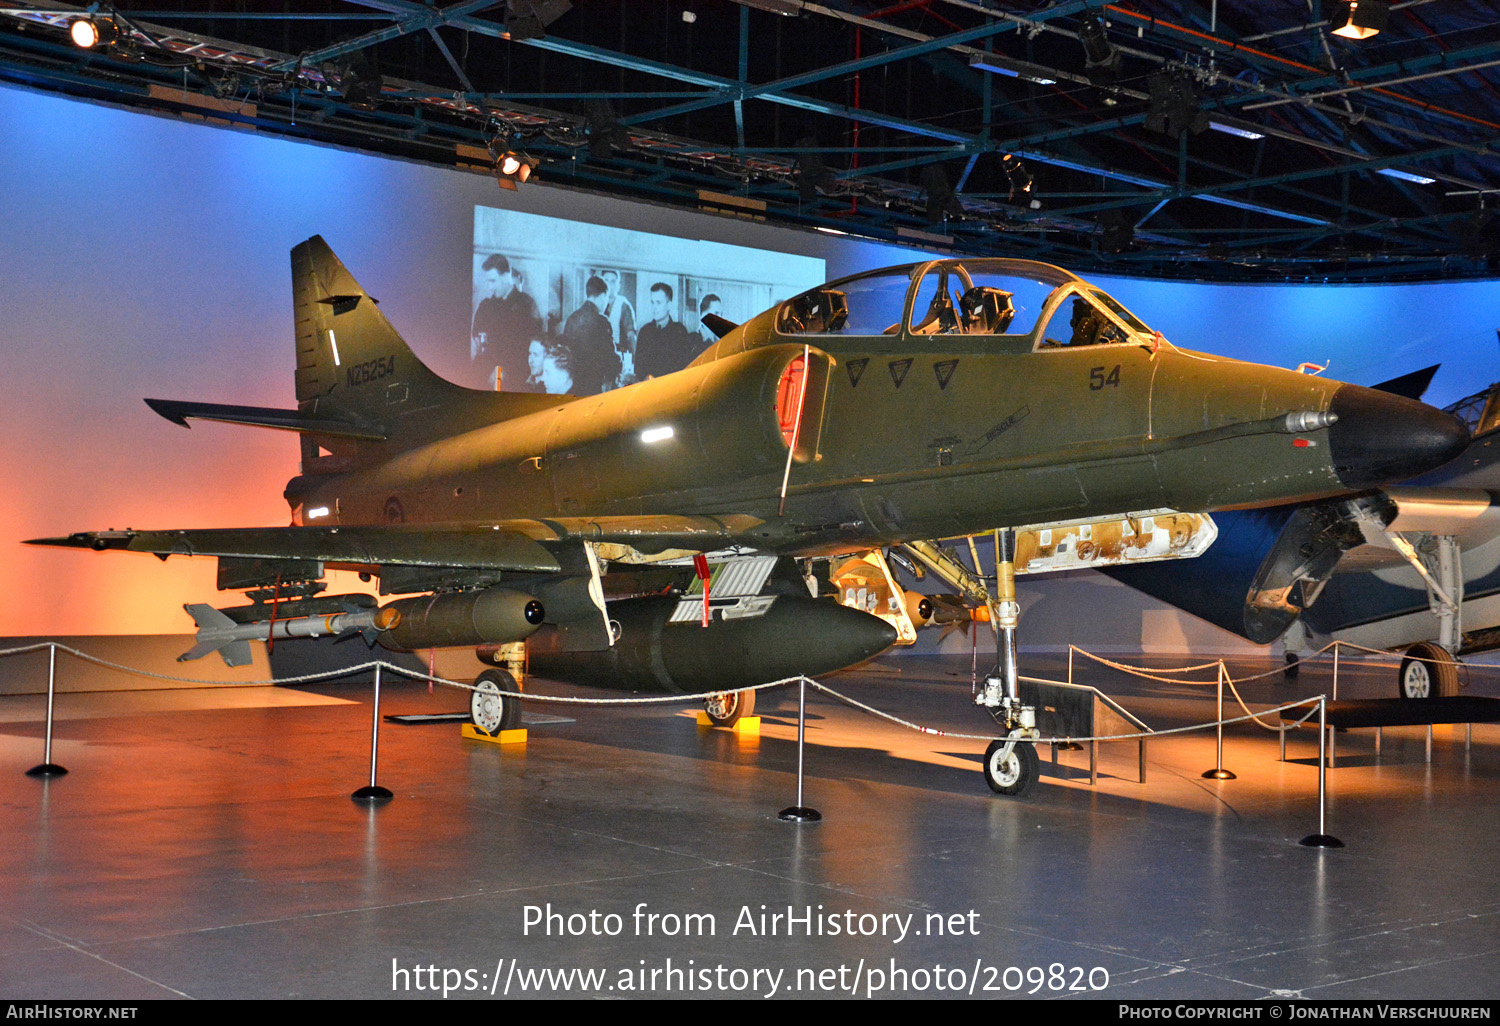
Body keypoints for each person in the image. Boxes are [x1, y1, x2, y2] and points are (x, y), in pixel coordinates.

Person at [470, 253, 543, 390]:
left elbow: (534, 351)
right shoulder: (485, 307)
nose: (489, 287)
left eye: (493, 281)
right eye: (488, 282)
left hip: (516, 384)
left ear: (506, 276)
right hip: (484, 382)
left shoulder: (527, 305)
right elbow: (478, 347)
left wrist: (507, 372)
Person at [562, 275, 620, 394]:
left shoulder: (572, 319)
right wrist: (620, 363)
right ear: (604, 296)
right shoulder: (602, 322)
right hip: (593, 387)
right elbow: (611, 362)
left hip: (571, 387)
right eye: (607, 298)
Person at [635, 281, 696, 380]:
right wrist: (646, 376)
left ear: (669, 305)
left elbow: (685, 366)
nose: (654, 307)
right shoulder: (645, 332)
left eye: (658, 302)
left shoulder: (679, 332)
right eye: (652, 302)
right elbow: (638, 367)